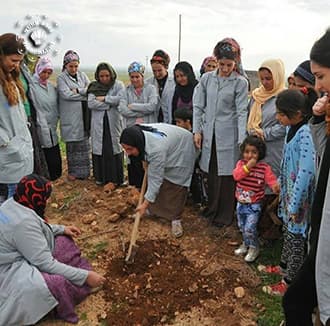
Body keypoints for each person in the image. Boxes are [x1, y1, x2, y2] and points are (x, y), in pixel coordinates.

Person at [0, 174, 105, 325]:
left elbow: (35, 229)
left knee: (64, 242)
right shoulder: (23, 224)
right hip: (9, 271)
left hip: (20, 250)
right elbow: (45, 263)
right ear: (36, 198)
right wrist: (85, 276)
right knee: (56, 283)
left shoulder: (14, 203)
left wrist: (61, 229)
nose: (48, 201)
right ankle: (65, 298)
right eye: (46, 197)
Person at [282, 28, 330, 326]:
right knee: (297, 300)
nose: (318, 85)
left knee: (297, 299)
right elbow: (323, 157)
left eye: (322, 76)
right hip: (320, 225)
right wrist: (318, 120)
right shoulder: (326, 116)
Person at [261, 87, 317, 297]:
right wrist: (280, 183)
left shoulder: (306, 133)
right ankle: (283, 266)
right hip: (289, 195)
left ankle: (290, 281)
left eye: (281, 114)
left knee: (296, 240)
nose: (277, 117)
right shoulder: (290, 129)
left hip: (299, 200)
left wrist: (294, 203)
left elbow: (306, 171)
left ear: (297, 114)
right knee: (288, 231)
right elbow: (288, 161)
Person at [193, 37, 249, 227]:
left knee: (227, 175)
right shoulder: (207, 79)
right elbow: (198, 106)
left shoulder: (240, 83)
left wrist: (242, 139)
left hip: (229, 135)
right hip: (210, 133)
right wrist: (197, 131)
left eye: (229, 65)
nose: (225, 69)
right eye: (222, 64)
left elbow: (242, 112)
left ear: (236, 63)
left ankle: (225, 215)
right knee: (211, 172)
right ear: (216, 61)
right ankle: (211, 208)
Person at [120, 123, 195, 238]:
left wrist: (144, 204)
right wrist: (144, 160)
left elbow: (156, 179)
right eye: (125, 149)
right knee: (154, 177)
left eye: (130, 149)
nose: (127, 153)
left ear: (138, 144)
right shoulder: (138, 134)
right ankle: (153, 210)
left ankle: (175, 219)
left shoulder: (156, 150)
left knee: (175, 186)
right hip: (169, 143)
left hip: (182, 149)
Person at [247, 59, 286, 243]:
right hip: (257, 149)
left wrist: (264, 133)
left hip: (273, 150)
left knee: (271, 185)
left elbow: (284, 125)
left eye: (269, 78)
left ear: (277, 76)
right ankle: (255, 227)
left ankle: (270, 231)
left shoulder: (282, 97)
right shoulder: (256, 96)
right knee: (256, 185)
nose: (264, 82)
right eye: (262, 78)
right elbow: (249, 118)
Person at [233, 135, 279, 263]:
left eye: (254, 152)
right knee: (242, 226)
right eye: (247, 152)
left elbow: (271, 179)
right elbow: (237, 176)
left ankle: (254, 247)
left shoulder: (264, 168)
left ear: (260, 153)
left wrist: (275, 186)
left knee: (250, 227)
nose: (250, 155)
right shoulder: (241, 164)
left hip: (254, 204)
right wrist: (248, 167)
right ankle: (245, 244)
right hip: (240, 203)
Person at [0, 33, 33, 199]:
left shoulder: (11, 78)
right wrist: (7, 142)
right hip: (8, 154)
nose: (16, 65)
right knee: (8, 208)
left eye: (19, 61)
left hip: (19, 153)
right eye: (13, 60)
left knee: (16, 205)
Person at [118, 61, 158, 188]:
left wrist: (133, 106)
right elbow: (123, 109)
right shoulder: (126, 91)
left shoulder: (151, 89)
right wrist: (141, 112)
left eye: (137, 76)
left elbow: (152, 107)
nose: (134, 79)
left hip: (147, 130)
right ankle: (135, 187)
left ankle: (148, 188)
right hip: (131, 129)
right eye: (132, 77)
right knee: (132, 157)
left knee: (146, 157)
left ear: (142, 76)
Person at [87, 62, 125, 186]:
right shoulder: (94, 86)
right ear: (97, 76)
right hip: (99, 122)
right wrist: (110, 104)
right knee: (101, 149)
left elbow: (121, 99)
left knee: (114, 148)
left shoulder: (118, 85)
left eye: (107, 76)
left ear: (111, 74)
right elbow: (91, 103)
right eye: (101, 76)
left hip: (113, 122)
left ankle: (117, 179)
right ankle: (101, 178)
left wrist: (104, 99)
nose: (104, 79)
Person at [57, 50, 90, 181]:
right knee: (73, 148)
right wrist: (83, 95)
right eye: (71, 66)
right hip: (70, 118)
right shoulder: (61, 78)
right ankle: (73, 174)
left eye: (76, 66)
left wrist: (78, 91)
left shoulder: (82, 75)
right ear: (65, 65)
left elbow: (91, 89)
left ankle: (85, 173)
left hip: (83, 116)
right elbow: (66, 95)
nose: (74, 69)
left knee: (84, 146)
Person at [33, 56, 62, 181]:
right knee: (44, 148)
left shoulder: (51, 87)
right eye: (43, 72)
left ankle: (56, 175)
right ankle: (46, 176)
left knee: (54, 147)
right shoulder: (32, 86)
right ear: (38, 70)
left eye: (49, 72)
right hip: (40, 123)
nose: (46, 75)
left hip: (52, 123)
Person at [174, 107, 207, 206]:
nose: (177, 125)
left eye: (179, 122)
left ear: (187, 121)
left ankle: (199, 201)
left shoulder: (196, 135)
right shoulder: (179, 134)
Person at [145, 49, 175, 123]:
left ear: (166, 67)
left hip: (169, 121)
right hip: (153, 122)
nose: (157, 74)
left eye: (159, 70)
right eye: (154, 71)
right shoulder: (147, 83)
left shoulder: (174, 83)